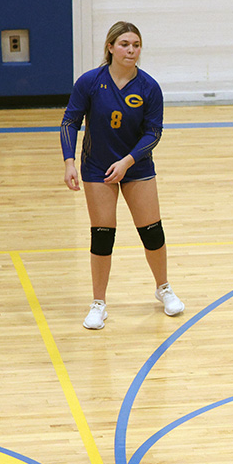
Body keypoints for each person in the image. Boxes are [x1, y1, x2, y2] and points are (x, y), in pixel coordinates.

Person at [61, 21, 184, 330]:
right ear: (110, 47)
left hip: (137, 167)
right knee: (102, 236)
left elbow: (153, 133)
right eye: (125, 44)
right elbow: (69, 122)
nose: (132, 50)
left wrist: (128, 162)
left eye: (136, 45)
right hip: (97, 168)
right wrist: (68, 162)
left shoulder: (149, 87)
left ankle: (163, 288)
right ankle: (98, 304)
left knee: (152, 231)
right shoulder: (89, 83)